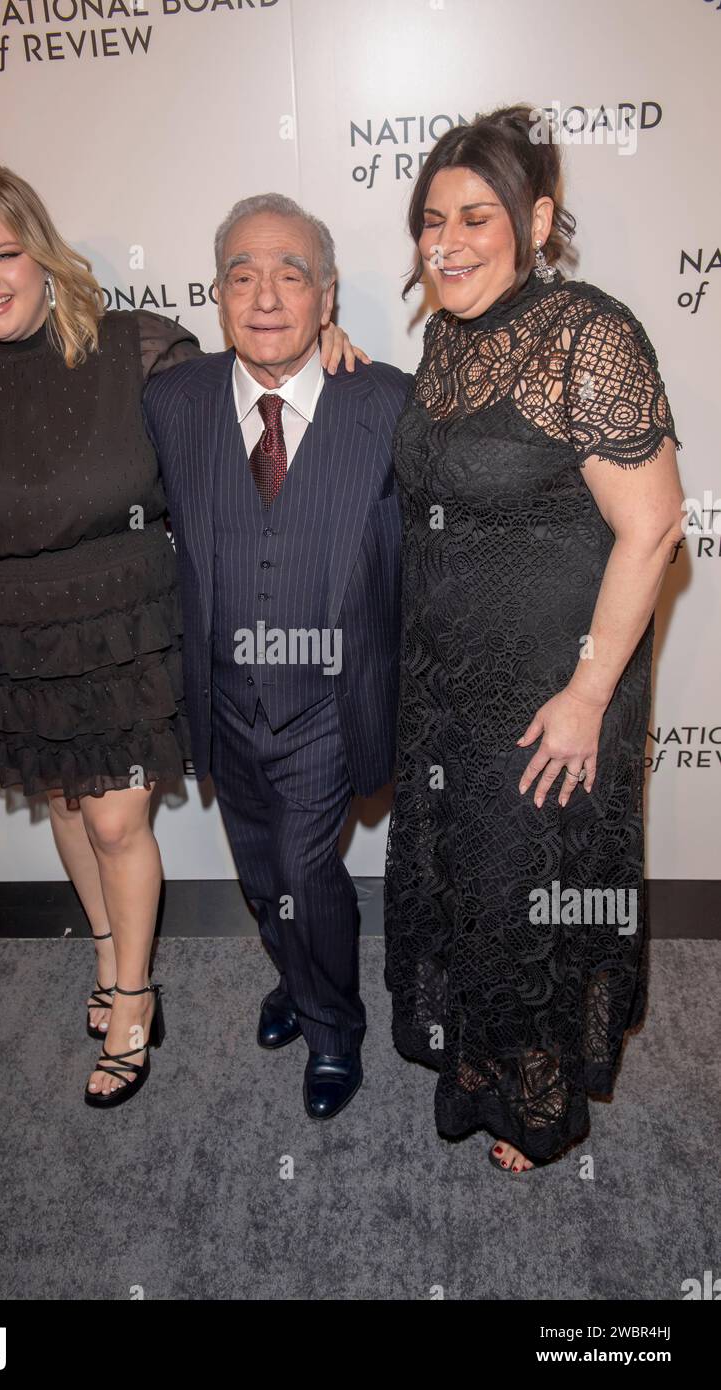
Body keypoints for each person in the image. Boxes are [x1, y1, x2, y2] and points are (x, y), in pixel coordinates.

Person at [0, 165, 357, 1110]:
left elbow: (245, 387)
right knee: (68, 805)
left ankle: (137, 999)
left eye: (6, 252)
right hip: (12, 638)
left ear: (43, 253)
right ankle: (108, 958)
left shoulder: (134, 349)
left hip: (129, 625)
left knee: (114, 819)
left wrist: (318, 347)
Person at [383, 105, 685, 1173]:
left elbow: (652, 527)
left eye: (474, 215)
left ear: (536, 219)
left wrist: (589, 693)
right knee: (469, 881)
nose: (446, 240)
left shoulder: (585, 334)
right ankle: (480, 1060)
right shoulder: (441, 339)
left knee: (532, 891)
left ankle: (536, 1093)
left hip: (553, 685)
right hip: (448, 684)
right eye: (430, 219)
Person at [143, 193, 411, 1120]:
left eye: (291, 275)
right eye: (243, 276)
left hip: (327, 705)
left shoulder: (384, 401)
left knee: (306, 867)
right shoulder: (171, 399)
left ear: (326, 296)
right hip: (221, 698)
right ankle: (295, 980)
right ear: (216, 294)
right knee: (261, 874)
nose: (265, 297)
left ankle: (334, 1030)